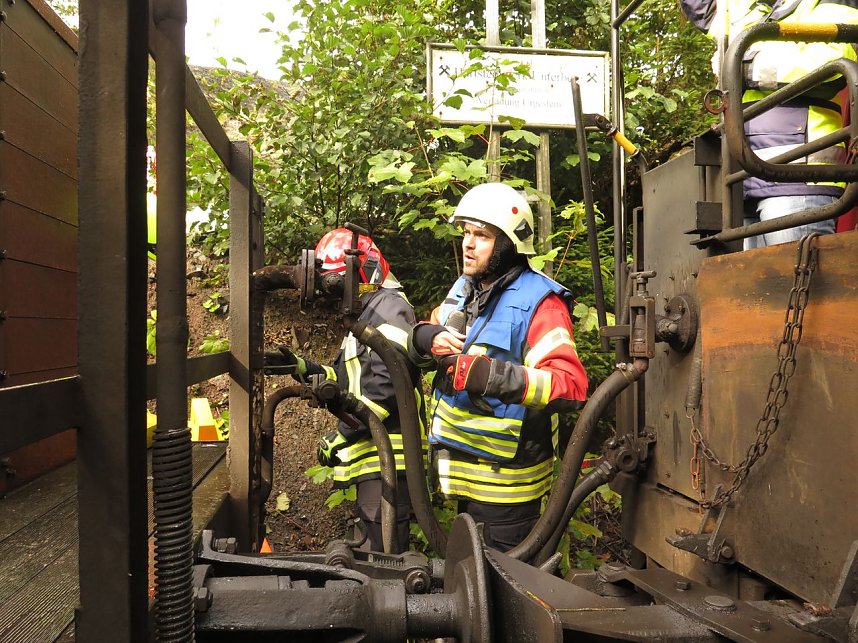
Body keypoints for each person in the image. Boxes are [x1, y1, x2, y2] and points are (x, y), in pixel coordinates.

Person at [408, 182, 588, 552]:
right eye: (466, 233)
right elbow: (432, 330)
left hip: (508, 490)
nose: (468, 244)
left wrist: (486, 375)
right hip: (462, 479)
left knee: (504, 595)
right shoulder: (464, 288)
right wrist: (427, 338)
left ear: (509, 243)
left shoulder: (541, 303)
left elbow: (569, 386)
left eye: (482, 236)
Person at [265, 228, 425, 553]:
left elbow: (386, 385)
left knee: (385, 562)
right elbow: (345, 381)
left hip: (389, 459)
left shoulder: (387, 309)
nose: (330, 296)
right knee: (373, 553)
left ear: (360, 274)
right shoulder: (365, 315)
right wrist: (301, 367)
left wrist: (341, 435)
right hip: (377, 461)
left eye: (335, 284)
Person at [679, 0, 858, 249]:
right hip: (747, 175)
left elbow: (833, 62)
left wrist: (746, 67)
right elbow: (702, 7)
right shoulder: (749, 12)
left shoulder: (833, 6)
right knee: (761, 284)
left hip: (798, 178)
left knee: (801, 279)